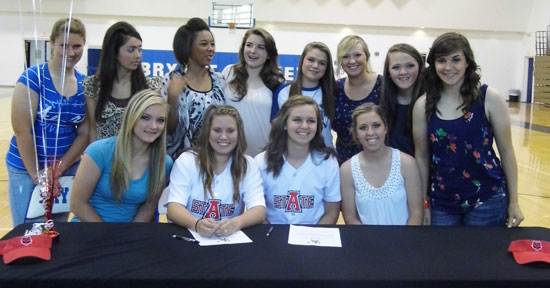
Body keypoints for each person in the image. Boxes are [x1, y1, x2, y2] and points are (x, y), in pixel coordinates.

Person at [412, 32, 524, 227]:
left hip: (487, 198)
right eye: (441, 60)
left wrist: (514, 202)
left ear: (467, 62)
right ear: (434, 64)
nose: (448, 67)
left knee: (484, 256)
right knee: (444, 257)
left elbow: (506, 152)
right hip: (442, 201)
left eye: (456, 60)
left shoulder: (489, 98)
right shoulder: (423, 105)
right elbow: (421, 157)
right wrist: (424, 203)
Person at [6, 18, 88, 226]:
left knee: (55, 228)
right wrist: (38, 176)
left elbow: (84, 133)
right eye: (64, 45)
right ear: (52, 44)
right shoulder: (33, 78)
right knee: (26, 231)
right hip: (27, 170)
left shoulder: (85, 84)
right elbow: (22, 130)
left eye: (76, 46)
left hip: (64, 171)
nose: (70, 52)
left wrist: (57, 170)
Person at [70, 89, 172, 222]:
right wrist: (109, 236)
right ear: (132, 117)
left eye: (160, 120)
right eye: (145, 117)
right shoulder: (99, 151)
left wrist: (130, 237)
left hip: (129, 234)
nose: (153, 126)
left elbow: (148, 207)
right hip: (90, 230)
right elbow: (77, 205)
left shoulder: (164, 163)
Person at [166, 105, 265, 238]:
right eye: (217, 130)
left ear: (238, 133)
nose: (223, 137)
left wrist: (236, 223)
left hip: (229, 240)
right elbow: (174, 207)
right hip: (190, 236)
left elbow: (258, 210)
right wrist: (196, 224)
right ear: (207, 132)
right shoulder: (187, 161)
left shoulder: (248, 164)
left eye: (230, 131)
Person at [255, 96, 340, 224]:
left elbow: (331, 213)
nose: (304, 126)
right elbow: (256, 211)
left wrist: (311, 240)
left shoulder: (328, 162)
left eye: (311, 121)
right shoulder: (262, 162)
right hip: (272, 236)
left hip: (314, 238)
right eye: (297, 120)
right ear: (284, 124)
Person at [340, 103, 423, 225]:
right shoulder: (347, 170)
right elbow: (350, 218)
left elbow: (416, 214)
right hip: (367, 242)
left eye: (376, 125)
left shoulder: (407, 164)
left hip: (404, 241)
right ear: (356, 134)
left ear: (386, 128)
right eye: (363, 127)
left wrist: (405, 242)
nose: (370, 132)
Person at [84, 21, 162, 142]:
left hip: (138, 157)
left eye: (140, 50)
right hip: (105, 157)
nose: (137, 55)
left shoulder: (151, 87)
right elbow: (93, 130)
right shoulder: (92, 86)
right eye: (131, 50)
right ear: (114, 52)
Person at [162, 17, 225, 159]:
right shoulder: (171, 80)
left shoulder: (219, 80)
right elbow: (167, 130)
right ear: (188, 48)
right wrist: (172, 101)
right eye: (204, 44)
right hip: (179, 162)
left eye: (212, 44)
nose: (210, 49)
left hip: (214, 160)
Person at [222, 28, 284, 157]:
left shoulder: (276, 83)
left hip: (262, 157)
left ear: (268, 54)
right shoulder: (229, 72)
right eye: (249, 45)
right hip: (229, 155)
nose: (253, 51)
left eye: (261, 47)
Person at [272, 42, 336, 148]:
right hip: (291, 158)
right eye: (311, 60)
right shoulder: (283, 92)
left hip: (325, 158)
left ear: (327, 68)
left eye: (322, 63)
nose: (315, 66)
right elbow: (275, 130)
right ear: (302, 61)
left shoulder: (332, 94)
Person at [333, 35, 382, 163]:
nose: (352, 61)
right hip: (344, 163)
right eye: (345, 56)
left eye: (357, 55)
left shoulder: (382, 85)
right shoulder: (336, 88)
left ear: (367, 56)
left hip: (378, 162)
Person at [379, 43, 424, 156]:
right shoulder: (382, 102)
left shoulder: (431, 101)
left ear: (419, 67)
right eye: (396, 67)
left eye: (410, 66)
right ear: (388, 72)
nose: (403, 72)